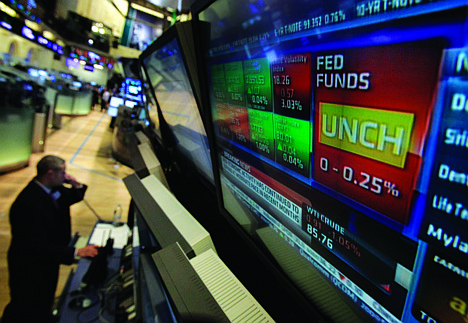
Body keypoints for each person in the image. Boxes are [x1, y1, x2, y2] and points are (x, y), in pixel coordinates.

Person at [1, 155, 99, 323]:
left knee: (44, 300)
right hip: (29, 266)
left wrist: (75, 183)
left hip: (49, 261)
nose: (65, 176)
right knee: (25, 305)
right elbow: (36, 247)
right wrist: (76, 252)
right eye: (63, 172)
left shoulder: (55, 190)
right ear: (50, 173)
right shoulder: (27, 203)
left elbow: (75, 196)